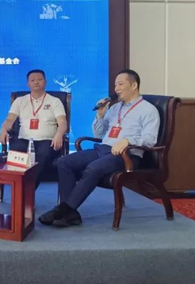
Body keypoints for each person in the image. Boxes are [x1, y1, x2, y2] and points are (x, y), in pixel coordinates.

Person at [40, 69, 159, 227]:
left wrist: (127, 141)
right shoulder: (115, 108)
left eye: (120, 84)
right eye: (115, 85)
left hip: (127, 155)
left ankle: (64, 210)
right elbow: (99, 133)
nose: (116, 89)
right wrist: (100, 116)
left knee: (93, 168)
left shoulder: (148, 110)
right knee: (64, 162)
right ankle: (69, 212)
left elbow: (150, 139)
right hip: (103, 149)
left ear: (134, 85)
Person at [0, 69, 67, 186]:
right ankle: (22, 190)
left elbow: (63, 122)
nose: (36, 82)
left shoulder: (55, 101)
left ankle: (26, 190)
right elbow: (9, 120)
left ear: (45, 82)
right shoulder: (20, 100)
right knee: (16, 153)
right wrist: (3, 130)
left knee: (42, 157)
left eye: (40, 79)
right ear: (28, 84)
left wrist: (59, 134)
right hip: (23, 140)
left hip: (47, 141)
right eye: (33, 80)